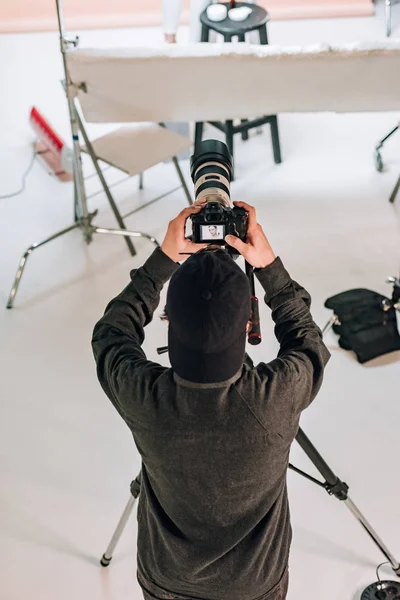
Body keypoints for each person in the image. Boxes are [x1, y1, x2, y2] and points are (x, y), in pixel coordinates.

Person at [92, 200, 330, 600]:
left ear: (167, 322)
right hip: (255, 586)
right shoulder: (279, 396)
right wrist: (268, 264)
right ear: (249, 325)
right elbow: (308, 342)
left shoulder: (143, 396)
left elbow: (111, 334)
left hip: (165, 579)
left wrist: (165, 259)